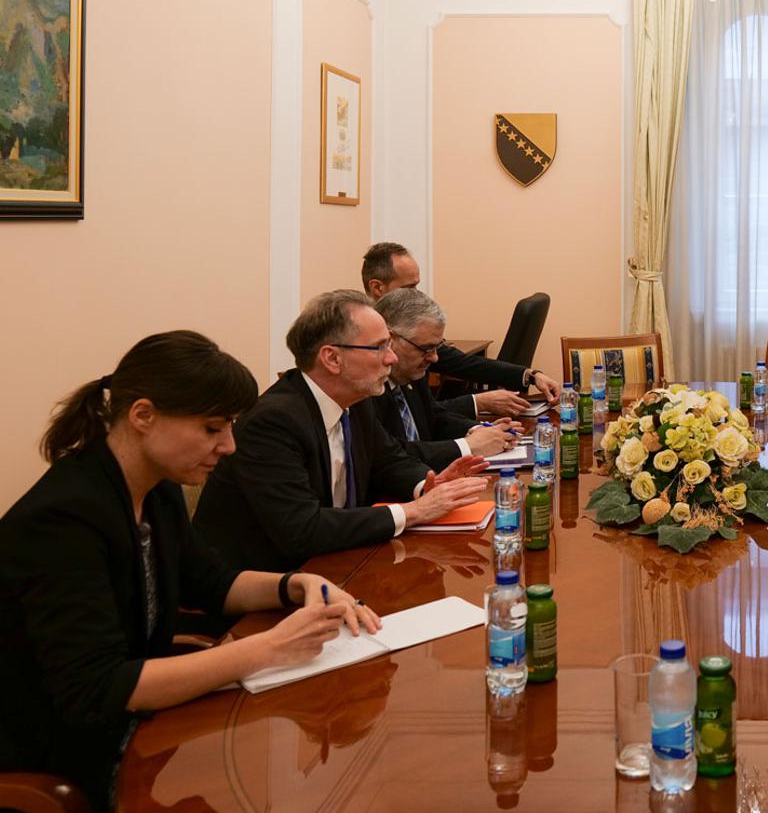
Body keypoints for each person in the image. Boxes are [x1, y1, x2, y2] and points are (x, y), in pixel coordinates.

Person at [0, 331, 380, 813]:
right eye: (213, 429)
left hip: (104, 750)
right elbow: (98, 688)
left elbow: (214, 583)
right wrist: (268, 649)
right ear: (143, 415)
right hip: (27, 805)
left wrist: (298, 585)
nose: (229, 446)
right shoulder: (63, 521)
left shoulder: (152, 489)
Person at [193, 290, 489, 572]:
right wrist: (414, 512)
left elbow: (388, 461)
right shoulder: (273, 422)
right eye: (379, 347)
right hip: (265, 585)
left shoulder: (356, 401)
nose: (391, 358)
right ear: (332, 358)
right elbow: (302, 528)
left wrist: (427, 486)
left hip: (336, 563)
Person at [361, 242, 559, 418]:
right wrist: (478, 402)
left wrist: (530, 375)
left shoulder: (415, 332)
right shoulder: (363, 351)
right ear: (377, 288)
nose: (417, 294)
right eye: (409, 287)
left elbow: (464, 364)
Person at [371, 288, 520, 465]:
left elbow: (433, 417)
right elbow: (389, 454)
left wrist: (477, 431)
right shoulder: (366, 388)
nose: (434, 358)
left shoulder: (411, 371)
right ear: (390, 340)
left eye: (437, 347)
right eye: (426, 348)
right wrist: (468, 446)